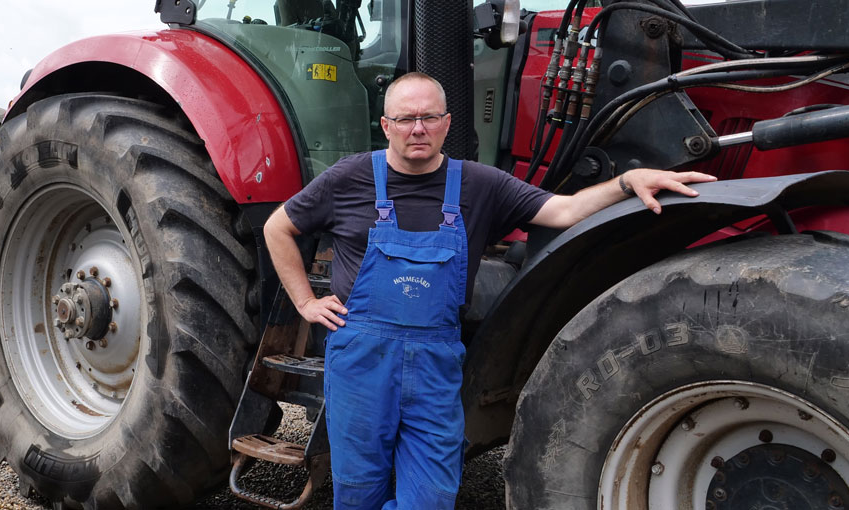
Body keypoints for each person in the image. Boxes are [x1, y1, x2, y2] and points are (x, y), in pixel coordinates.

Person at [262, 71, 715, 509]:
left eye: (429, 117)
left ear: (447, 123)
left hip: (434, 367)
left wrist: (626, 183)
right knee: (357, 492)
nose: (417, 129)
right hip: (361, 363)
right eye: (404, 119)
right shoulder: (350, 177)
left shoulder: (479, 184)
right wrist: (305, 301)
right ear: (386, 125)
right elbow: (278, 227)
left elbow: (566, 210)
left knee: (433, 498)